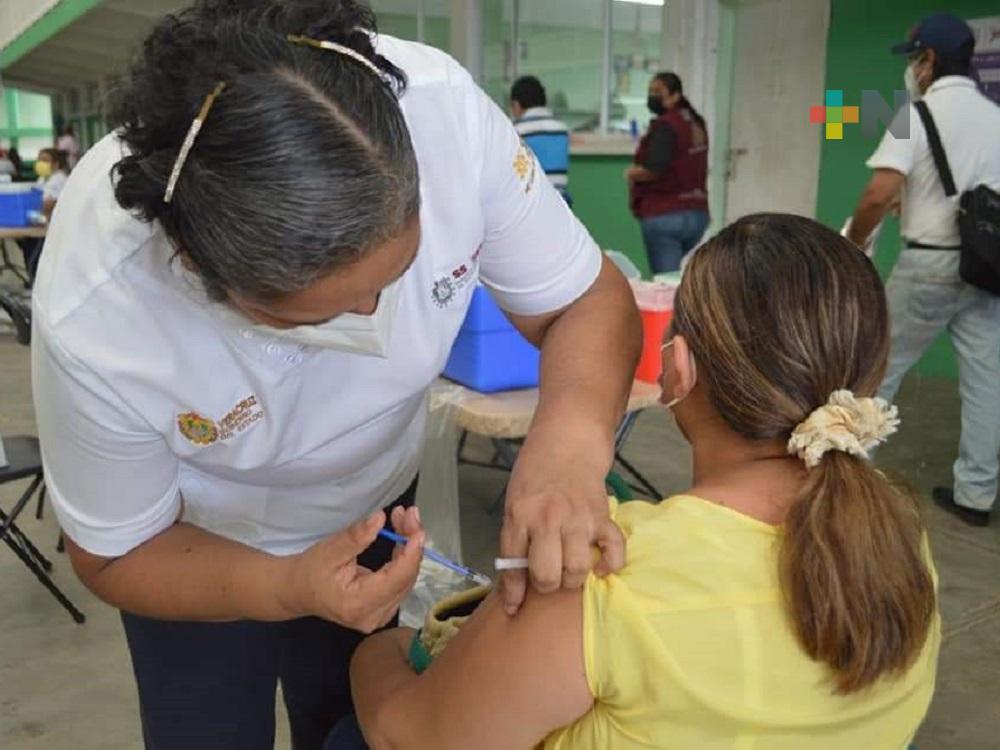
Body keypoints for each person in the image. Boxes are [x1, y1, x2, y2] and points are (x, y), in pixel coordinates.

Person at [30, 2, 640, 748]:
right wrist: (285, 585)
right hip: (193, 545)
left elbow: (584, 300)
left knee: (350, 718)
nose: (378, 322)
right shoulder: (101, 306)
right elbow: (118, 551)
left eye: (399, 274)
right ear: (200, 267)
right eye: (318, 316)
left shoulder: (443, 118)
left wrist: (566, 451)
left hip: (371, 510)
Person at [352, 214, 941, 750]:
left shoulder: (606, 568)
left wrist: (379, 650)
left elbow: (409, 737)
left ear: (677, 368)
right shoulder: (898, 540)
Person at [847, 12, 1000, 528]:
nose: (912, 69)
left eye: (914, 58)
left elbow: (878, 193)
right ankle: (975, 495)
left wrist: (855, 242)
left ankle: (849, 481)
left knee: (879, 369)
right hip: (986, 267)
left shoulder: (916, 116)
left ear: (930, 60)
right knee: (985, 382)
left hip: (929, 265)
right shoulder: (995, 117)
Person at [627, 72, 710, 274]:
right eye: (650, 91)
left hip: (665, 213)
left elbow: (655, 168)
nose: (652, 96)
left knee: (666, 281)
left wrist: (632, 173)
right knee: (682, 277)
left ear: (675, 96)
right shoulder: (694, 122)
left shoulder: (666, 126)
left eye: (658, 91)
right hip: (697, 213)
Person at [510, 75, 572, 204]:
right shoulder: (561, 130)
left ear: (516, 105)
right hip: (560, 204)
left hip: (529, 205)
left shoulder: (516, 131)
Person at [16, 148, 70, 282]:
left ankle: (34, 280)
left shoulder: (59, 179)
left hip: (51, 227)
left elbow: (47, 205)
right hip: (40, 222)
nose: (40, 163)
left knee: (34, 255)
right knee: (26, 245)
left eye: (45, 160)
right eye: (39, 160)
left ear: (56, 164)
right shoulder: (44, 178)